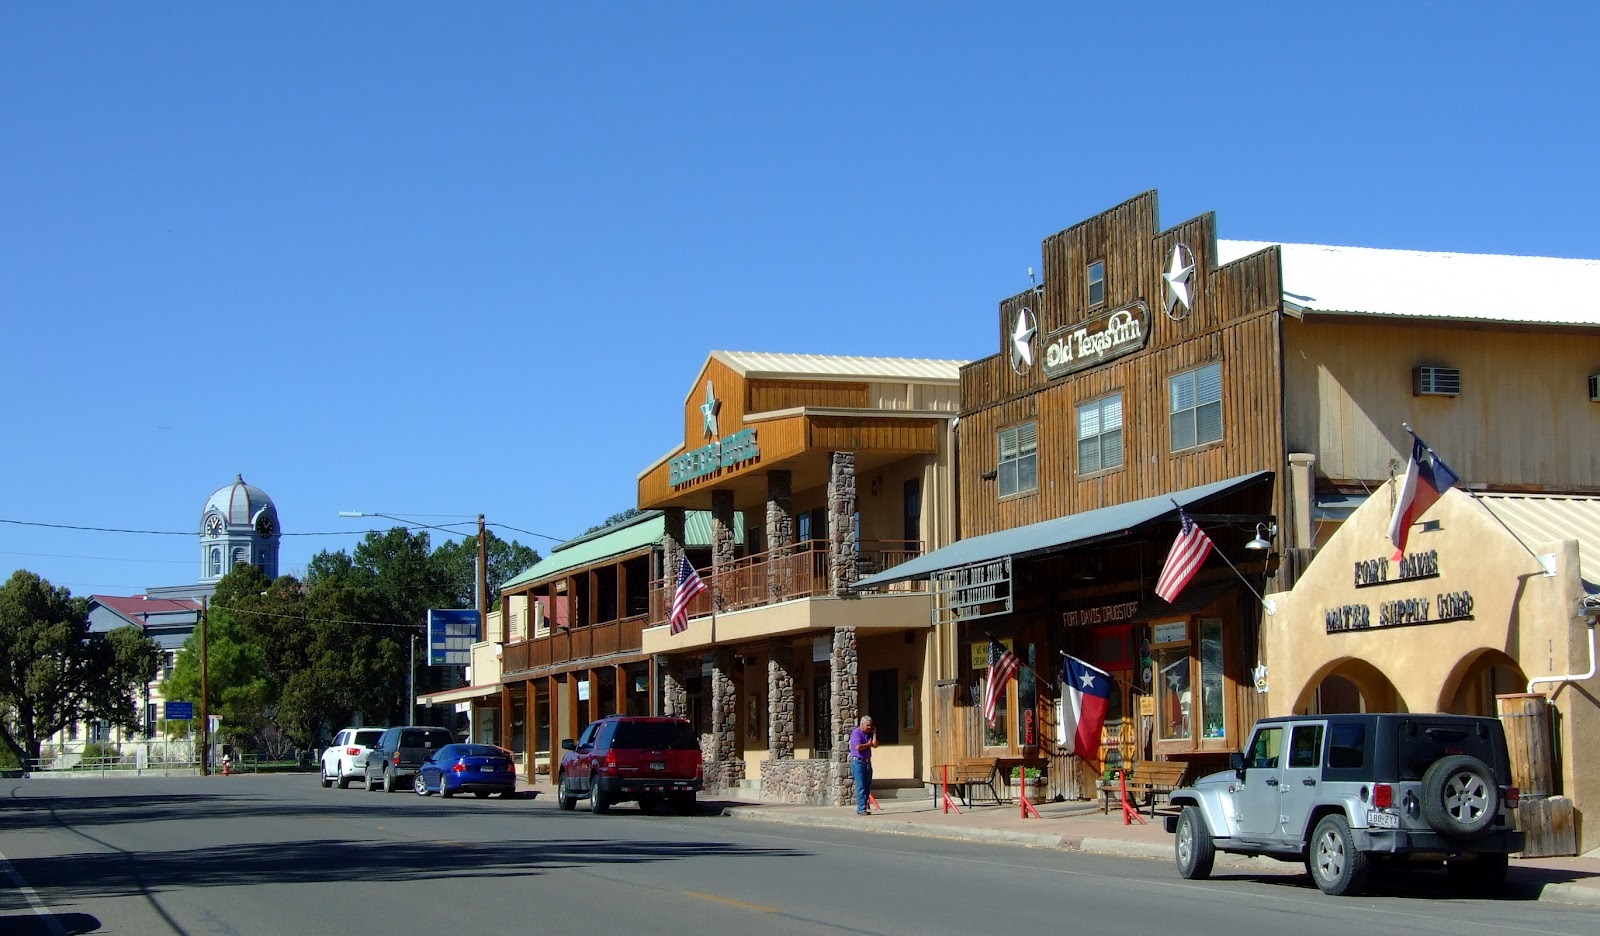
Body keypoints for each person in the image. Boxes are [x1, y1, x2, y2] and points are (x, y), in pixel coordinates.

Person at [848, 715, 877, 815]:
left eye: (870, 726)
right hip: (858, 762)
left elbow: (875, 745)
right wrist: (868, 745)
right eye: (867, 725)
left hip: (867, 762)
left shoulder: (869, 734)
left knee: (867, 785)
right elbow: (858, 747)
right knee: (861, 786)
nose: (869, 727)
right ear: (862, 724)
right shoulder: (856, 733)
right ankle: (861, 809)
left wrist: (874, 734)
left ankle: (865, 806)